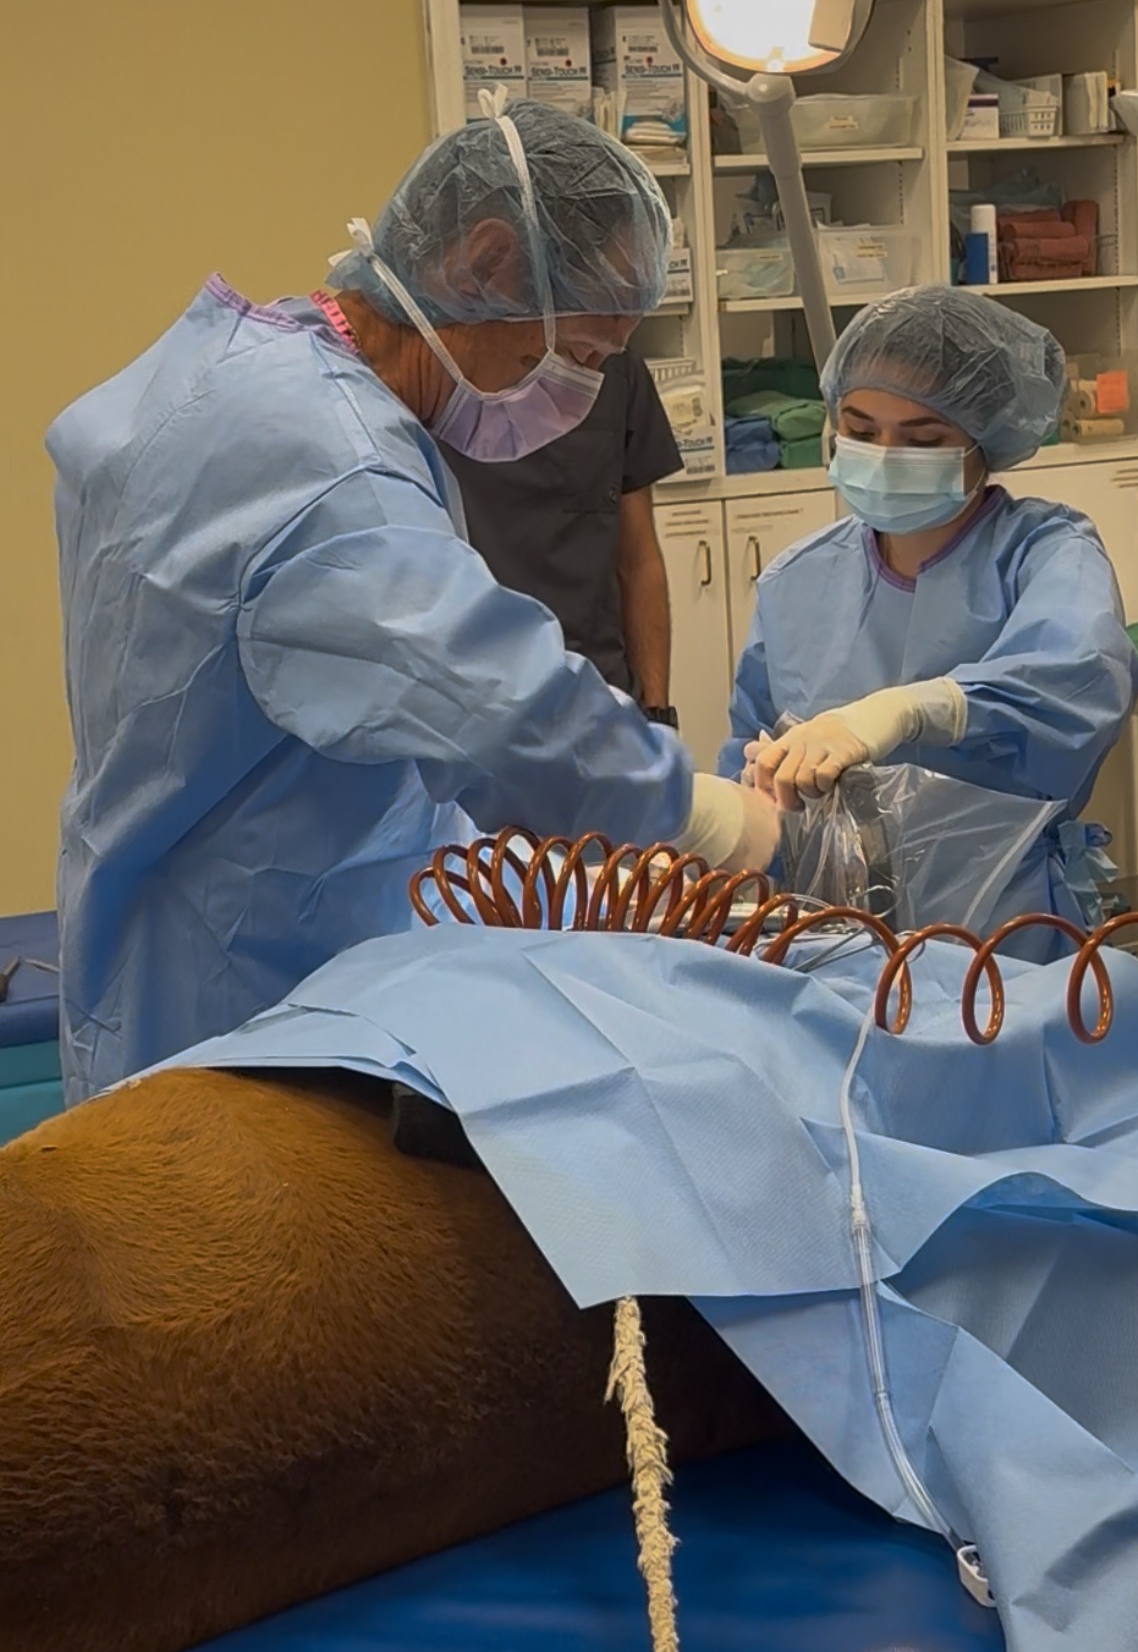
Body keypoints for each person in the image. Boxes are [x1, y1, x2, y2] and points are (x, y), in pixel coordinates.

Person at [48, 98, 776, 1102]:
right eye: (576, 360)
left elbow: (335, 711)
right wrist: (714, 819)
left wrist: (539, 869)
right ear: (481, 261)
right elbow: (498, 709)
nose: (573, 399)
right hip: (258, 982)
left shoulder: (232, 373)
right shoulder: (332, 469)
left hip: (165, 930)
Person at [719, 286, 1138, 935]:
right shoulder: (795, 582)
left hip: (1002, 940)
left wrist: (910, 709)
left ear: (985, 441)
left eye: (922, 439)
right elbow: (750, 776)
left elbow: (1079, 682)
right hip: (833, 943)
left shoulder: (1045, 553)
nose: (885, 456)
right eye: (860, 431)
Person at [437, 344, 681, 717]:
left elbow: (638, 559)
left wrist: (658, 714)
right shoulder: (439, 368)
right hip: (473, 699)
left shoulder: (615, 364)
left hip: (600, 696)